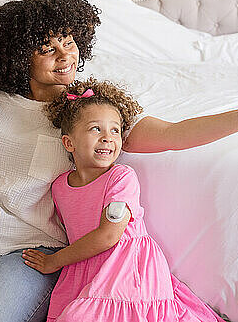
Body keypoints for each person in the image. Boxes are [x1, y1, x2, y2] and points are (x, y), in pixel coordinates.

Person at [0, 0, 238, 322]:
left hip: (28, 251)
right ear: (19, 57)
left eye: (69, 42)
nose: (66, 56)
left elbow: (173, 135)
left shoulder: (90, 111)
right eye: (48, 49)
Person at [22, 78, 226, 321]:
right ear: (69, 142)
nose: (108, 138)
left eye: (115, 130)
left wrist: (54, 261)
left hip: (127, 268)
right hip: (85, 266)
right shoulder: (59, 187)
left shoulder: (121, 177)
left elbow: (109, 235)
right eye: (96, 129)